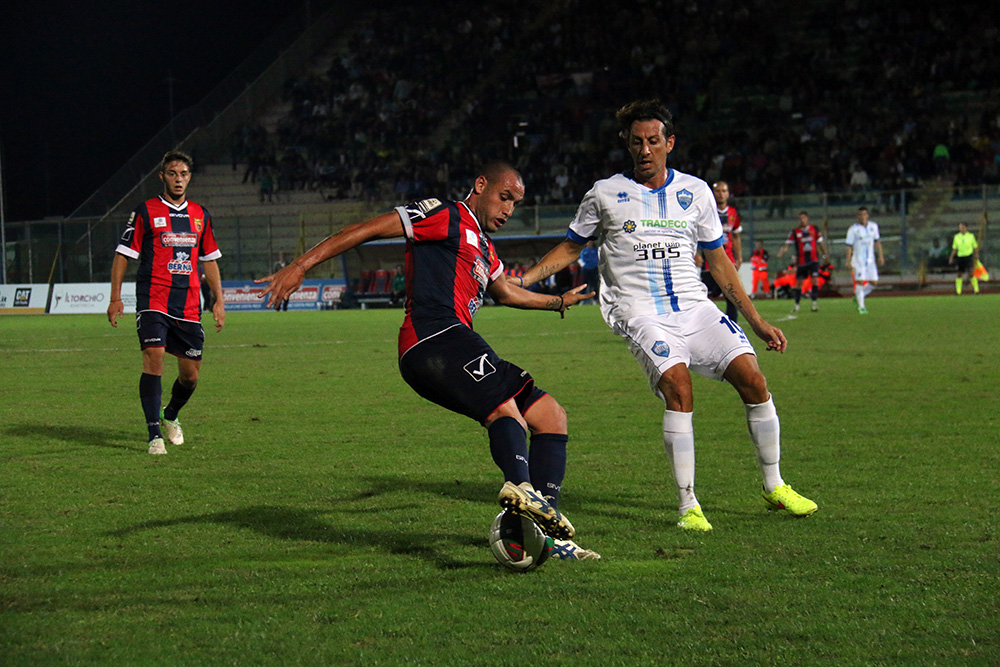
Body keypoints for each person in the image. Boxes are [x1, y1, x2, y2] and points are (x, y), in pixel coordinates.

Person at [256, 161, 599, 560]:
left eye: (515, 204)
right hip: (433, 338)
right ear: (481, 185)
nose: (508, 210)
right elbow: (366, 229)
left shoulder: (485, 247)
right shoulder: (445, 214)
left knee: (550, 414)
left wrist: (556, 301)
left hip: (455, 344)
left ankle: (547, 530)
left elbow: (506, 292)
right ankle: (521, 488)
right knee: (505, 410)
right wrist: (301, 265)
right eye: (504, 197)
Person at [519, 99, 817, 532]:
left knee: (754, 380)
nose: (645, 150)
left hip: (694, 308)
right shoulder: (604, 193)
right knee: (679, 386)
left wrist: (757, 321)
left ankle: (775, 485)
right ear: (627, 144)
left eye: (653, 141)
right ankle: (688, 505)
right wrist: (521, 281)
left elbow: (718, 261)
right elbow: (570, 246)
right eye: (636, 142)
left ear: (669, 143)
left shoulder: (696, 192)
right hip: (639, 312)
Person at [107, 150, 226, 455]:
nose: (178, 179)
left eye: (183, 174)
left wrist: (219, 301)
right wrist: (115, 298)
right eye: (172, 173)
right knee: (154, 356)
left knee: (190, 375)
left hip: (188, 305)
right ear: (162, 177)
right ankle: (154, 436)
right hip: (153, 299)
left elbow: (210, 260)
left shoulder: (200, 215)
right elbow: (122, 255)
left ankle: (170, 414)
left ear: (190, 177)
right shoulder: (145, 211)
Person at [697, 180, 742, 322]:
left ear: (728, 194)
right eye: (718, 191)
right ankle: (704, 326)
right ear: (713, 193)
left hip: (729, 261)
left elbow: (736, 236)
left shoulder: (734, 213)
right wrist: (695, 254)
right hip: (709, 262)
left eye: (724, 191)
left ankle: (733, 327)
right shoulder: (706, 211)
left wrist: (739, 257)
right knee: (706, 298)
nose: (721, 194)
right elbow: (694, 234)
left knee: (732, 296)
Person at [777, 211, 828, 312]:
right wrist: (782, 252)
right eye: (800, 218)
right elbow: (787, 244)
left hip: (813, 260)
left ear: (807, 218)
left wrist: (825, 254)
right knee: (799, 283)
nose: (802, 220)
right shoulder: (795, 232)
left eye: (804, 218)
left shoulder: (814, 229)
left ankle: (814, 303)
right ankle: (797, 305)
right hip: (801, 261)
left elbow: (820, 242)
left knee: (814, 280)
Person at [844, 206, 885, 314]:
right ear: (857, 216)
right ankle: (862, 307)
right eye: (860, 215)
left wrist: (880, 256)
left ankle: (858, 297)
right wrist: (848, 260)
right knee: (860, 282)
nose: (862, 216)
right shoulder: (853, 229)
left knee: (874, 282)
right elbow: (849, 246)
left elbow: (877, 242)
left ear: (867, 215)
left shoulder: (873, 226)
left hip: (870, 260)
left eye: (864, 214)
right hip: (858, 260)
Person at [948, 222, 980, 295]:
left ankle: (976, 290)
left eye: (962, 227)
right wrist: (951, 257)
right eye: (960, 227)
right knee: (959, 274)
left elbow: (975, 246)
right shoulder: (956, 237)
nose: (961, 229)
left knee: (971, 273)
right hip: (960, 257)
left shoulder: (971, 236)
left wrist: (976, 254)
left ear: (966, 228)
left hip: (968, 256)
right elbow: (955, 248)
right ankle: (958, 292)